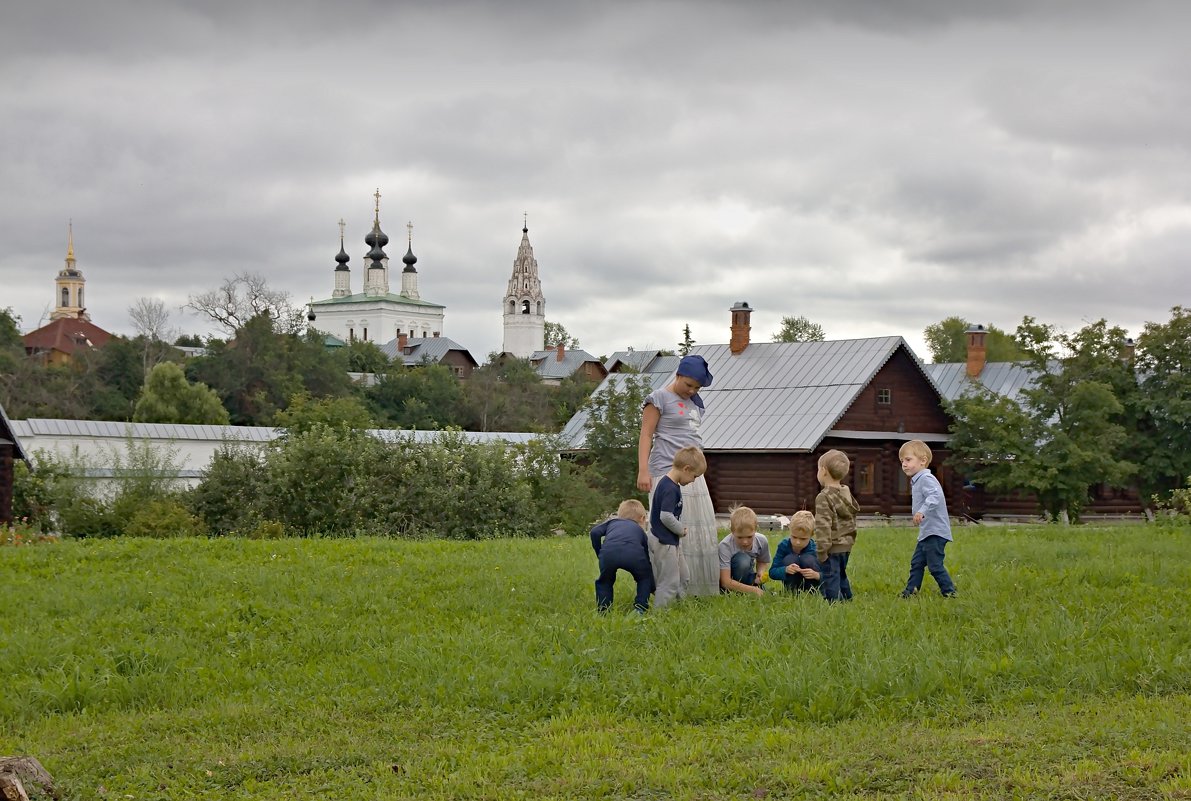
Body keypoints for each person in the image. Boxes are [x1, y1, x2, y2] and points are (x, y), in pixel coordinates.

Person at [637, 354, 719, 596]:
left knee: (694, 529)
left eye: (697, 387)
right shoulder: (659, 398)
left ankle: (695, 587)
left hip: (691, 472)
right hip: (666, 470)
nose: (691, 390)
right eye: (688, 385)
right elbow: (646, 435)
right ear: (678, 375)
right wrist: (643, 470)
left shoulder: (696, 402)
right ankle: (665, 587)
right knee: (667, 528)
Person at [648, 446, 707, 609]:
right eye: (694, 476)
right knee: (669, 581)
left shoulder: (671, 485)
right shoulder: (669, 488)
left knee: (683, 576)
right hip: (664, 542)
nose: (694, 481)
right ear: (686, 469)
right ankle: (660, 614)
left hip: (671, 541)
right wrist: (681, 529)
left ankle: (680, 606)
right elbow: (665, 516)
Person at [899, 440, 957, 598]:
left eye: (908, 460)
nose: (904, 464)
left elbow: (935, 496)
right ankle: (911, 592)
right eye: (902, 461)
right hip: (927, 532)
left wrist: (921, 511)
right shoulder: (918, 479)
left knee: (934, 565)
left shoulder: (926, 479)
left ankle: (949, 592)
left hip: (936, 532)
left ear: (923, 460)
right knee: (917, 563)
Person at [590, 499, 654, 614]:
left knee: (605, 581)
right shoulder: (640, 531)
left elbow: (594, 532)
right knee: (644, 578)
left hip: (609, 553)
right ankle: (640, 608)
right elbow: (646, 553)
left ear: (619, 516)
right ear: (642, 519)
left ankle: (604, 610)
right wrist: (651, 580)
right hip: (634, 554)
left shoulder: (612, 523)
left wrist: (600, 553)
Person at [813, 449, 860, 602]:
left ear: (823, 471)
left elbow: (823, 525)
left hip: (832, 546)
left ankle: (833, 605)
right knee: (840, 574)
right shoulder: (846, 494)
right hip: (846, 545)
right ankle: (847, 599)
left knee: (830, 579)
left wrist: (821, 550)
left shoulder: (824, 497)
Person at [717, 505, 771, 596]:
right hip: (730, 580)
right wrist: (752, 590)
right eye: (740, 537)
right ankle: (741, 591)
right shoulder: (725, 546)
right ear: (732, 531)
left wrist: (760, 572)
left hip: (747, 575)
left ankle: (752, 587)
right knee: (743, 560)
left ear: (755, 529)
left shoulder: (761, 541)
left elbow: (762, 561)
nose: (745, 542)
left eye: (750, 537)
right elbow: (725, 581)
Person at [769, 510, 821, 593]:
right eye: (794, 537)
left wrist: (817, 575)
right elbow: (772, 572)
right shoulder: (784, 545)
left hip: (812, 587)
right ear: (790, 531)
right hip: (791, 586)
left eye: (803, 539)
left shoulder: (816, 549)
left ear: (811, 535)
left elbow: (830, 574)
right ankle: (791, 592)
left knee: (808, 559)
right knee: (790, 558)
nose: (797, 542)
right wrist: (785, 569)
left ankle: (813, 592)